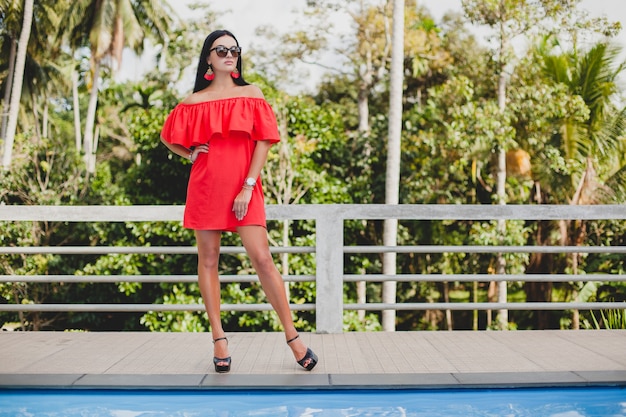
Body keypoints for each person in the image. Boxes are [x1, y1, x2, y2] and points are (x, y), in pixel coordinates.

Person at [160, 29, 318, 373]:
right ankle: (219, 338)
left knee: (262, 258)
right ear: (208, 58)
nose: (229, 54)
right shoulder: (193, 101)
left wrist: (248, 186)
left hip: (243, 187)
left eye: (234, 49)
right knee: (209, 260)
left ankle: (293, 337)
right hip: (205, 186)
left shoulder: (252, 93)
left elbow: (264, 140)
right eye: (221, 50)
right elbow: (167, 136)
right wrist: (189, 154)